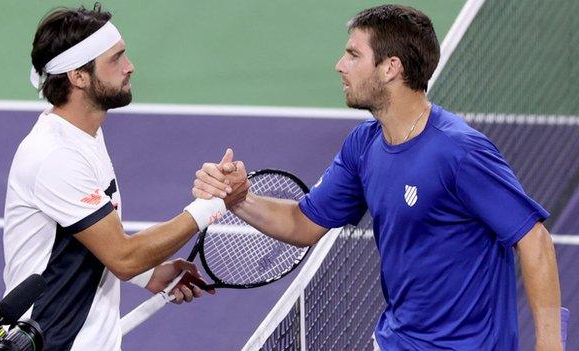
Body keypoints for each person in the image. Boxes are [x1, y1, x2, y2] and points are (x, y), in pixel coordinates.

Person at [192, 5, 562, 351]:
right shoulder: (363, 145)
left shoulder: (460, 152)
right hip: (395, 342)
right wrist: (239, 198)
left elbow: (534, 241)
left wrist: (550, 345)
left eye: (354, 55)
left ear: (391, 68)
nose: (340, 65)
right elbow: (304, 222)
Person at [3, 5, 228, 351]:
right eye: (116, 59)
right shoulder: (55, 157)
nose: (130, 66)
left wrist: (150, 274)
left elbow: (89, 240)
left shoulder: (85, 133)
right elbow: (123, 257)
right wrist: (213, 204)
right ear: (79, 76)